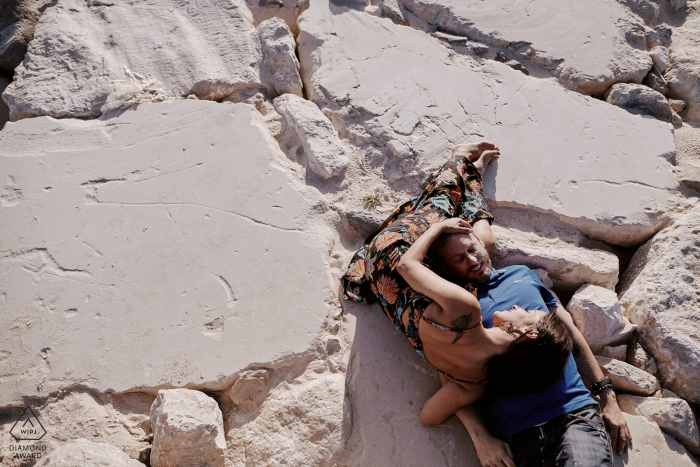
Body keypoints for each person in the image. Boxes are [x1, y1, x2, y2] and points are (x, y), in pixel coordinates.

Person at [342, 142, 631, 467]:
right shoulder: (468, 346)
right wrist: (480, 435)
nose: (529, 311)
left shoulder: (490, 293)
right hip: (512, 429)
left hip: (573, 411)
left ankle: (464, 170)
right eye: (460, 259)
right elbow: (439, 396)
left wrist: (607, 395)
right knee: (459, 219)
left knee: (442, 208)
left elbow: (569, 334)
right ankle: (469, 172)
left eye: (472, 250)